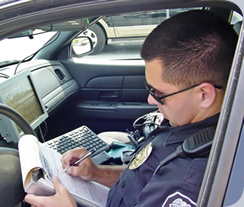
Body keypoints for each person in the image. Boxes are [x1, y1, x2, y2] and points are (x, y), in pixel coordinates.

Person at [25, 10, 238, 206]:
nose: (150, 100)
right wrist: (95, 173)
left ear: (204, 95)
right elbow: (143, 178)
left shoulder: (188, 180)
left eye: (159, 93)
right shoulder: (188, 125)